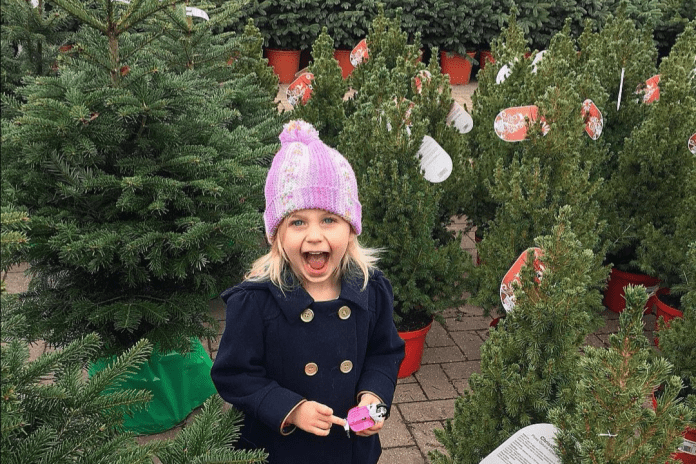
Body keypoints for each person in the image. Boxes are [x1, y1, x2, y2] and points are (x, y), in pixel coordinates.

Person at [211, 120, 405, 464]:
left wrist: (373, 399)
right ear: (277, 234)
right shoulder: (256, 300)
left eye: (329, 219)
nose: (314, 236)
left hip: (348, 449)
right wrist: (291, 409)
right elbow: (235, 374)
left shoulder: (370, 289)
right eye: (298, 222)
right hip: (280, 449)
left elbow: (384, 353)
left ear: (351, 228)